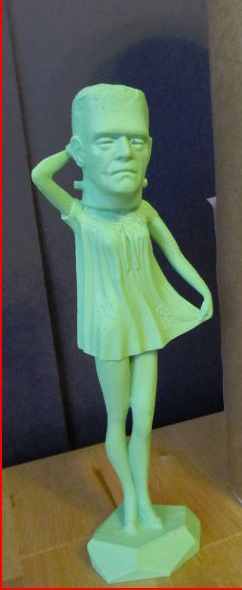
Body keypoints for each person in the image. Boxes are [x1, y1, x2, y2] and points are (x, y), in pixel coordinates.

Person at [31, 84, 213, 532]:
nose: (125, 152)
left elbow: (175, 255)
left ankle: (144, 501)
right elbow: (40, 176)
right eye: (106, 140)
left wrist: (202, 292)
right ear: (84, 150)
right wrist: (74, 149)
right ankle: (130, 501)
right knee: (117, 420)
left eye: (135, 140)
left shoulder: (143, 212)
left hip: (146, 323)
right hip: (110, 329)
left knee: (144, 423)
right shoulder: (82, 215)